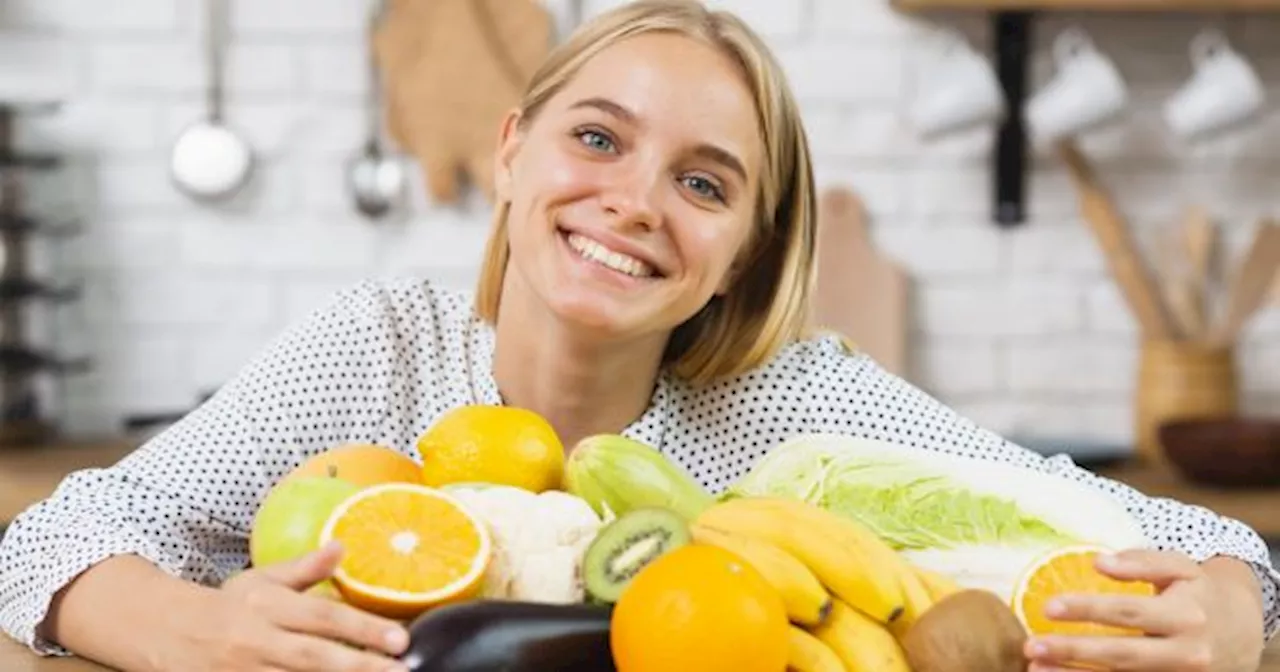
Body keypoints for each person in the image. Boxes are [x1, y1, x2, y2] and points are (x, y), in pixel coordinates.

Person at [1, 1, 1275, 670]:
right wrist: (188, 632)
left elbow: (1194, 544)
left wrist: (1228, 605)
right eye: (597, 139)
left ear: (743, 255)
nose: (633, 203)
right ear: (512, 155)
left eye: (705, 184)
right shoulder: (374, 351)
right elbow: (53, 537)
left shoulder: (795, 408)